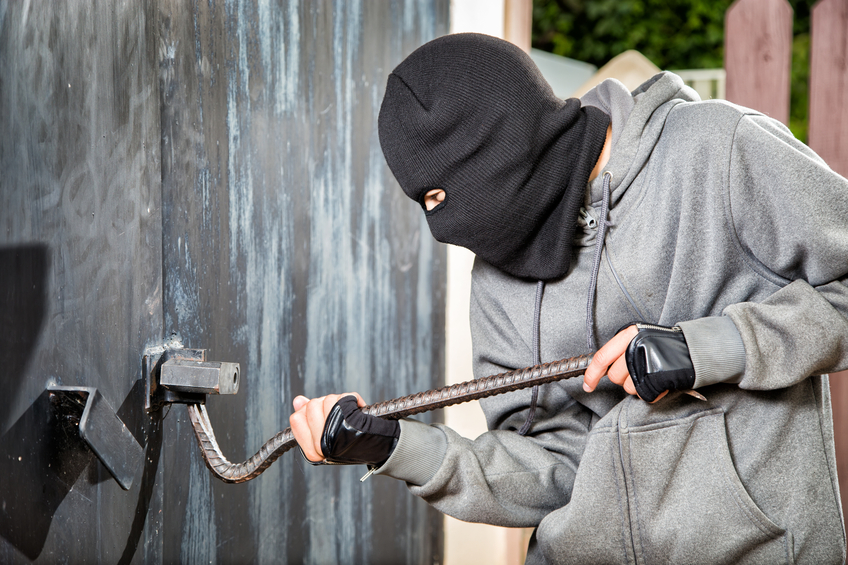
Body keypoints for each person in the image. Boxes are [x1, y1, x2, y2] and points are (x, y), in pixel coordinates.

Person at [290, 32, 848, 564]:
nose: (441, 225)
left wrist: (712, 349)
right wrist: (395, 447)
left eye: (439, 193)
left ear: (500, 139)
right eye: (424, 202)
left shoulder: (716, 151)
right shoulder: (498, 274)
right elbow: (550, 469)